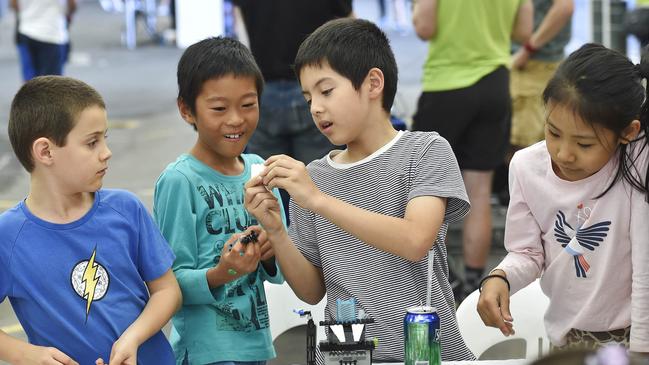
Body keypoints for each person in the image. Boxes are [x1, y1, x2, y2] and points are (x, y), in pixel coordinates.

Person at [245, 18, 475, 362]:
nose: (315, 108)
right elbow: (310, 291)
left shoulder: (424, 150)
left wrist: (318, 201)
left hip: (425, 354)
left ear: (373, 83)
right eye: (308, 98)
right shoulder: (316, 177)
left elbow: (415, 241)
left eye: (326, 91)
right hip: (348, 356)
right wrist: (276, 229)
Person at [477, 44, 649, 354]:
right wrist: (500, 277)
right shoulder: (526, 168)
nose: (564, 153)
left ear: (628, 132)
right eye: (553, 133)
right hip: (568, 339)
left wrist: (641, 348)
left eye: (584, 144)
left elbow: (645, 267)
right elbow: (528, 253)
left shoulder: (637, 160)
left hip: (637, 335)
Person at [0, 76, 181, 364]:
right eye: (92, 142)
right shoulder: (8, 236)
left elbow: (167, 290)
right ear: (45, 151)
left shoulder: (126, 209)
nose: (106, 152)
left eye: (104, 139)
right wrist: (26, 354)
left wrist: (132, 338)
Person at [153, 37, 285, 365]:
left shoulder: (260, 171)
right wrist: (221, 272)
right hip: (204, 355)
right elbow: (168, 284)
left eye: (248, 104)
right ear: (187, 110)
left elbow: (281, 273)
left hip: (256, 346)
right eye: (219, 108)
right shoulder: (179, 181)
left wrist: (270, 253)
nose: (236, 120)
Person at [411, 0, 533, 301]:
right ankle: (474, 282)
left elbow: (424, 27)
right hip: (494, 83)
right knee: (478, 191)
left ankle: (437, 281)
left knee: (423, 189)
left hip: (446, 86)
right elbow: (523, 31)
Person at [232, 0, 351, 222]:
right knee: (322, 186)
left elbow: (240, 29)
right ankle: (324, 250)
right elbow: (347, 27)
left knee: (267, 191)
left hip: (263, 87)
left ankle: (280, 250)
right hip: (316, 87)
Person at [494, 0, 574, 205]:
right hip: (529, 61)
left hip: (533, 64)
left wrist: (528, 48)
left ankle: (535, 205)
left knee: (527, 147)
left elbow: (564, 7)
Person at [10, 0, 76, 79]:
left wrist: (28, 13)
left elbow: (13, 4)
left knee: (30, 83)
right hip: (51, 34)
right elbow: (72, 6)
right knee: (52, 84)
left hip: (26, 30)